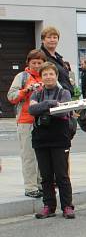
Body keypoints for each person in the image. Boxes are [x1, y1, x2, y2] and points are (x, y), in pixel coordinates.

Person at [27, 62, 75, 219]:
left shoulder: (65, 92)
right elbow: (32, 110)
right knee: (46, 175)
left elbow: (63, 112)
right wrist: (51, 104)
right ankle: (49, 206)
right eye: (45, 74)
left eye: (51, 74)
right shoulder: (36, 94)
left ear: (56, 76)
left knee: (61, 175)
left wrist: (43, 108)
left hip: (59, 138)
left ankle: (67, 206)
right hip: (41, 139)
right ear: (41, 77)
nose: (48, 77)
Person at [8, 49, 46, 198]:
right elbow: (11, 97)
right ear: (28, 63)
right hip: (26, 121)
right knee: (29, 155)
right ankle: (30, 187)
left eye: (39, 63)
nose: (36, 65)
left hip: (42, 121)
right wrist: (26, 90)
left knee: (41, 155)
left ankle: (40, 184)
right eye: (34, 63)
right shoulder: (22, 76)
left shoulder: (46, 76)